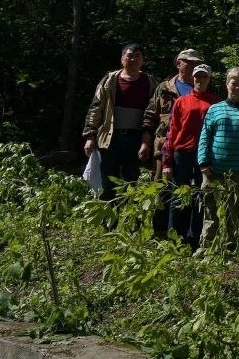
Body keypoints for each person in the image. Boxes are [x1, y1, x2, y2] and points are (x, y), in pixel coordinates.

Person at [83, 43, 158, 202]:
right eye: (129, 55)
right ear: (122, 59)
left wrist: (148, 140)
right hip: (111, 138)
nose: (133, 59)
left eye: (137, 56)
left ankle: (130, 222)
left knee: (132, 180)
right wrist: (90, 136)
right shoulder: (109, 81)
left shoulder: (150, 82)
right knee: (108, 180)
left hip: (137, 139)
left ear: (142, 60)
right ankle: (108, 221)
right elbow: (96, 108)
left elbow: (154, 113)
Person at [197, 66, 239, 250]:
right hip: (212, 170)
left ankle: (232, 247)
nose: (237, 87)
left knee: (234, 212)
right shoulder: (214, 109)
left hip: (238, 172)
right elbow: (204, 137)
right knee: (209, 211)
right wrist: (203, 162)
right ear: (227, 84)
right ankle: (207, 246)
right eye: (234, 83)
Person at [141, 48, 202, 237]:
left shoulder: (202, 87)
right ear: (179, 63)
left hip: (194, 148)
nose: (192, 66)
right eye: (189, 62)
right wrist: (145, 143)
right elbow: (150, 117)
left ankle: (187, 234)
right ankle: (159, 233)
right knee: (162, 189)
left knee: (190, 192)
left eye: (196, 63)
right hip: (164, 147)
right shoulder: (164, 87)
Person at [162, 63, 220, 248]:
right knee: (178, 196)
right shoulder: (181, 101)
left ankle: (195, 240)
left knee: (201, 198)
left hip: (205, 156)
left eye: (204, 77)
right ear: (193, 78)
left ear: (209, 80)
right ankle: (174, 240)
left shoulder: (216, 103)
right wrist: (167, 162)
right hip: (182, 154)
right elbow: (171, 132)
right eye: (197, 76)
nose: (200, 80)